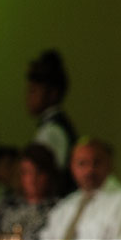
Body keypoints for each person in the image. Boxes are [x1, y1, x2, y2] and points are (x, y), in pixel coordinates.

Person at [39, 138, 121, 240]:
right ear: (72, 167)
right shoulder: (65, 206)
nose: (89, 170)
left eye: (96, 163)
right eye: (82, 163)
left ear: (109, 164)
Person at [26, 49, 77, 193]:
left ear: (53, 93)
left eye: (33, 91)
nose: (28, 97)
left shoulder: (53, 130)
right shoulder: (51, 126)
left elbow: (45, 181)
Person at [0, 143, 59, 240]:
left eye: (38, 173)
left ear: (48, 175)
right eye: (27, 172)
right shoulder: (6, 205)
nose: (32, 179)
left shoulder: (58, 209)